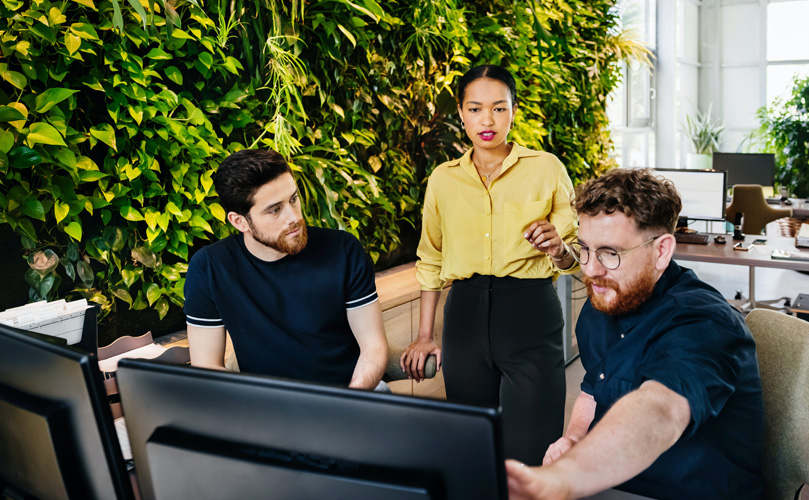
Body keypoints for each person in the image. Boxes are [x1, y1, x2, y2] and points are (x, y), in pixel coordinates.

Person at [506, 168, 764, 500]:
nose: (590, 269)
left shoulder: (704, 321)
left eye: (610, 254)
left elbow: (660, 410)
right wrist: (573, 439)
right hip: (613, 488)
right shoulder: (603, 303)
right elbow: (593, 390)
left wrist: (568, 476)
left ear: (661, 251)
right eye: (584, 248)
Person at [400, 65, 579, 465]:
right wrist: (426, 334)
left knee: (531, 453)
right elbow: (430, 258)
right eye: (476, 108)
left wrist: (558, 248)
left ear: (514, 112)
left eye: (499, 109)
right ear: (461, 114)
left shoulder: (546, 168)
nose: (487, 120)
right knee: (473, 447)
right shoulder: (442, 179)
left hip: (530, 315)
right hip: (464, 317)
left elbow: (574, 255)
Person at [183, 148, 388, 390]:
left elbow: (373, 347)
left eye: (293, 199)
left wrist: (347, 403)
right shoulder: (209, 268)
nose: (293, 217)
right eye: (274, 209)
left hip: (349, 394)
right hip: (267, 409)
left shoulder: (343, 250)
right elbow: (206, 367)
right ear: (239, 222)